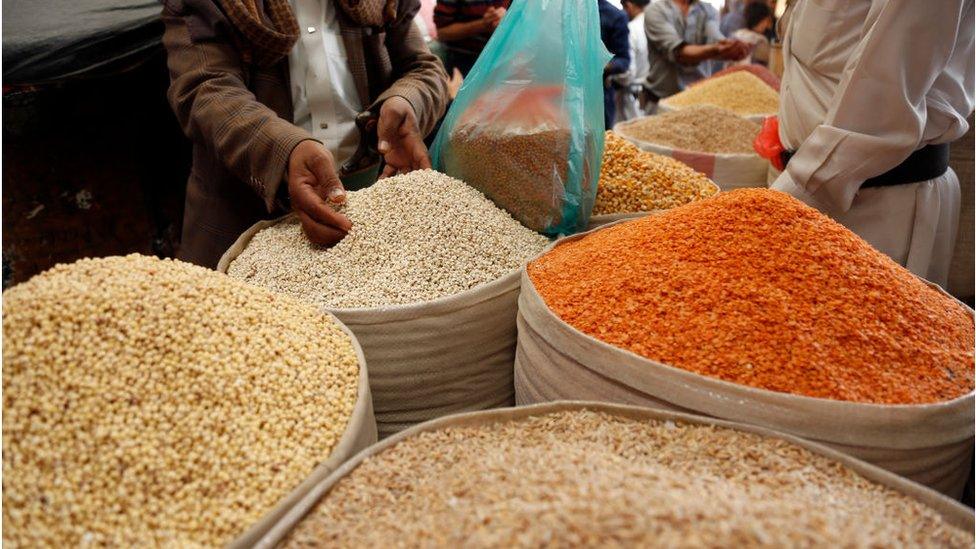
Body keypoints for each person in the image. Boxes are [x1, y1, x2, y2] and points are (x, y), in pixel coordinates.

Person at [162, 0, 450, 269]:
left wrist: (407, 100)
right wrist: (285, 150)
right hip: (246, 214)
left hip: (369, 205)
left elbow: (423, 68)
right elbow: (206, 89)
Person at [767, 0, 974, 287]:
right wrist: (789, 130)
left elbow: (883, 102)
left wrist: (768, 208)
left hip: (876, 207)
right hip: (809, 187)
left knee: (858, 324)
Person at [644, 0, 749, 101]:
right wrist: (719, 49)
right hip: (661, 100)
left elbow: (715, 39)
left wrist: (731, 49)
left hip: (698, 99)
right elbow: (680, 52)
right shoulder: (656, 11)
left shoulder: (708, 10)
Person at [433, 0, 509, 76]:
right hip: (466, 60)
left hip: (506, 57)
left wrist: (508, 19)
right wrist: (483, 24)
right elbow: (442, 33)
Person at [613, 0, 652, 122]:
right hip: (652, 97)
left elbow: (627, 74)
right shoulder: (657, 25)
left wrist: (611, 78)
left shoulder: (631, 30)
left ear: (628, 5)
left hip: (632, 100)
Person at [599, 0, 631, 129]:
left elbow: (623, 60)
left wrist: (601, 65)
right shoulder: (563, 12)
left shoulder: (614, 16)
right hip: (562, 91)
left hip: (599, 94)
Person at [730, 1, 772, 66]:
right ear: (761, 20)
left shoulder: (735, 35)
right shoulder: (760, 41)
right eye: (766, 20)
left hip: (732, 74)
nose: (767, 25)